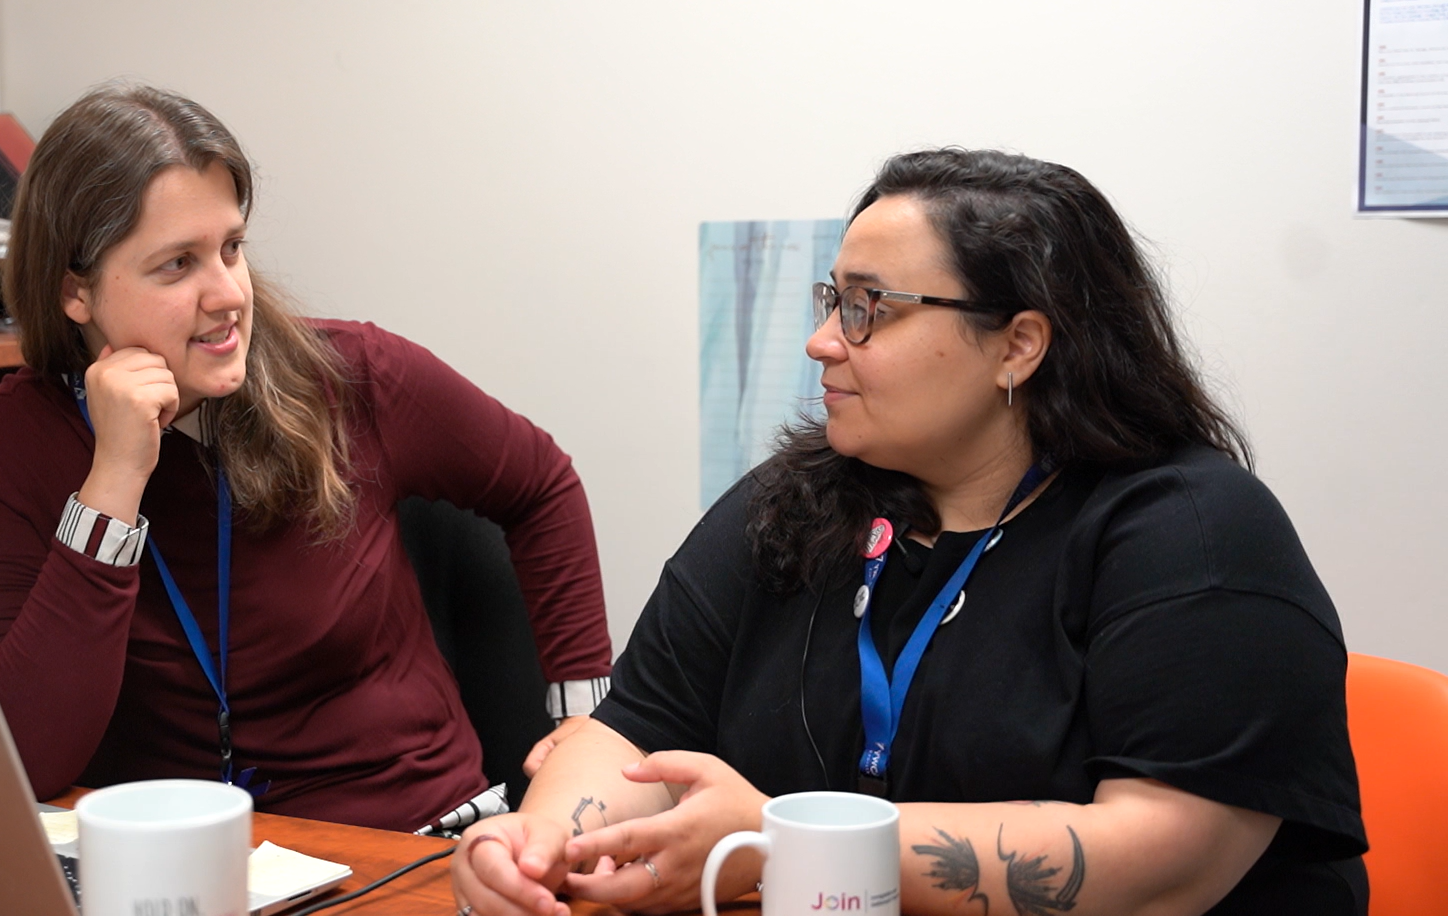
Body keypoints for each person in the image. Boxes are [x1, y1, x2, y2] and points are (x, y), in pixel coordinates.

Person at [454, 149, 1365, 916]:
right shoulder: (792, 502)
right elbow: (633, 739)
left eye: (867, 309)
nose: (821, 341)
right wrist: (536, 848)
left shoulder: (1194, 535)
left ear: (1017, 345)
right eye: (830, 301)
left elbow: (1171, 856)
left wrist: (778, 843)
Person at [0, 82, 612, 832]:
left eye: (231, 248)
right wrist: (114, 480)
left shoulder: (349, 376)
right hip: (184, 867)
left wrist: (585, 723)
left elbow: (541, 482)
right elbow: (28, 763)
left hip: (412, 841)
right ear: (76, 291)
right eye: (177, 265)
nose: (227, 294)